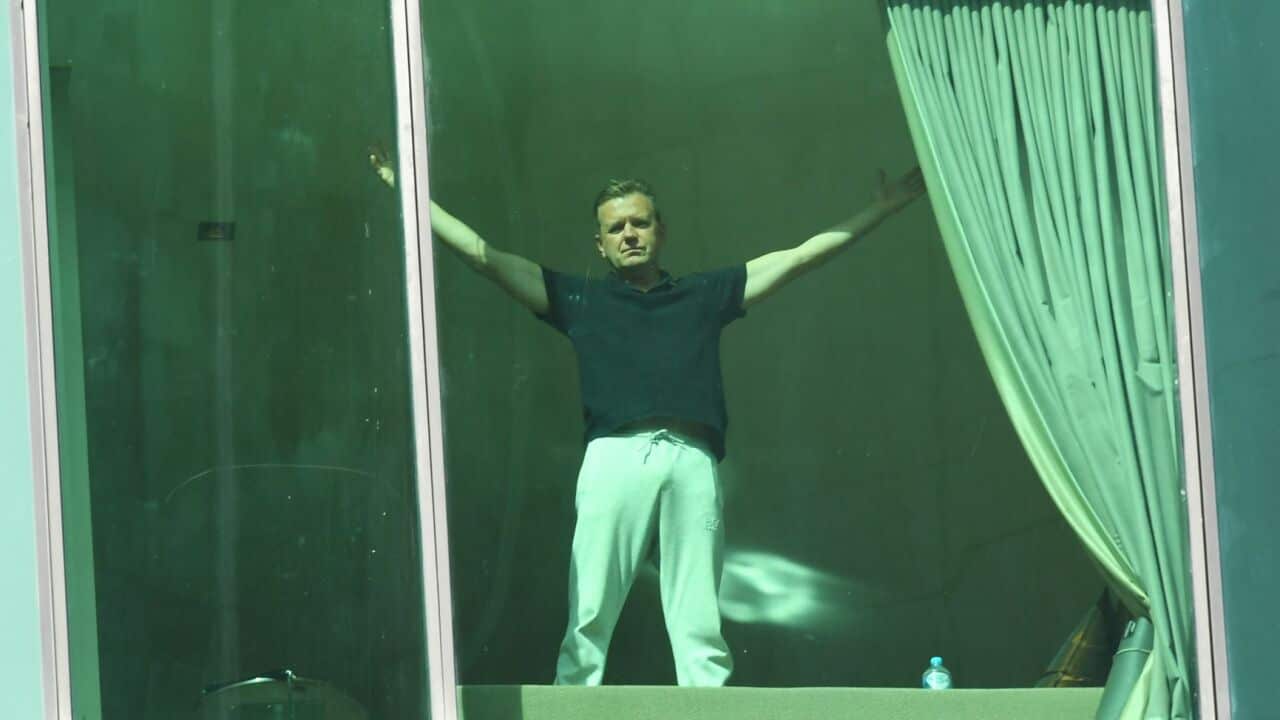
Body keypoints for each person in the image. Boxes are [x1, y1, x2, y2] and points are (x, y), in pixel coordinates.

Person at [429, 168, 926, 687]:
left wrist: (882, 209)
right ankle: (573, 702)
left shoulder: (702, 294)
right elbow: (482, 255)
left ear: (659, 231)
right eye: (616, 229)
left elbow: (798, 257)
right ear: (599, 245)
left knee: (698, 620)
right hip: (614, 456)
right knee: (590, 605)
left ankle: (706, 704)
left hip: (691, 456)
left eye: (639, 223)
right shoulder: (581, 300)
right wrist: (409, 189)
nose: (629, 234)